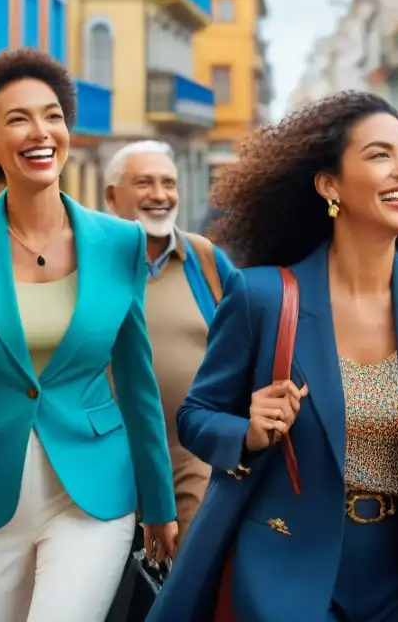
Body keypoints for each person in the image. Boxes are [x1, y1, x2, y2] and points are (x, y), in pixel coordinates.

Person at [148, 91, 398, 622]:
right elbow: (196, 417)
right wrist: (247, 430)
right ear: (329, 185)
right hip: (285, 569)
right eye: (380, 155)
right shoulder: (264, 297)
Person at [0, 48, 177, 622]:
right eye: (18, 119)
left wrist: (160, 501)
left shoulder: (120, 242)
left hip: (93, 496)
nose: (41, 131)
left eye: (52, 115)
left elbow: (137, 382)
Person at [104, 140, 233, 539]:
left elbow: (249, 337)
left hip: (193, 456)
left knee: (190, 575)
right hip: (106, 456)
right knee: (111, 585)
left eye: (168, 183)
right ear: (112, 195)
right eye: (144, 183)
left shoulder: (205, 259)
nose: (160, 195)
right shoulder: (87, 259)